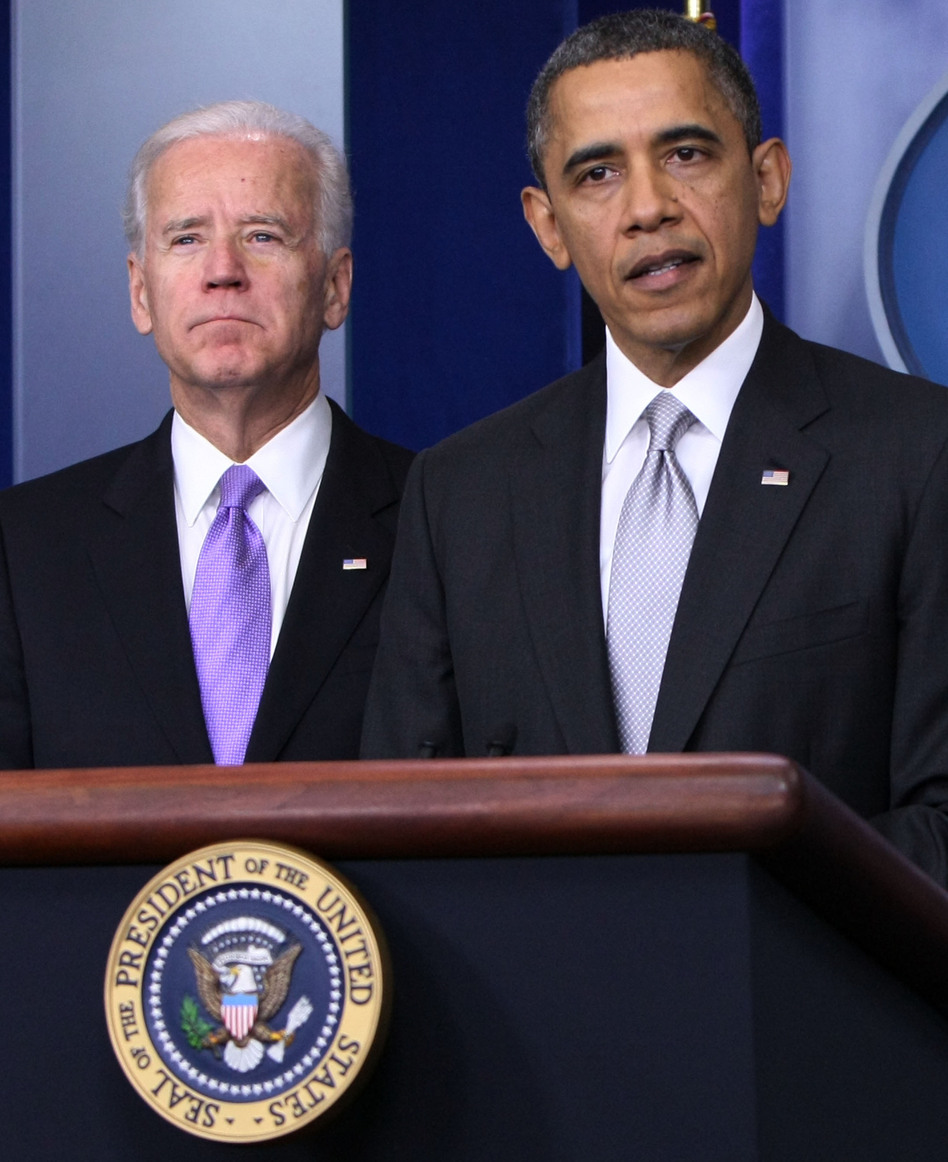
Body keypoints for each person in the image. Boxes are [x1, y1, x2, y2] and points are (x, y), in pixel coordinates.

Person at [362, 10, 948, 884]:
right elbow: (400, 832)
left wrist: (710, 912)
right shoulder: (461, 494)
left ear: (768, 179)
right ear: (548, 226)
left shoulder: (916, 454)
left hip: (803, 1009)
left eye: (686, 155)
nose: (648, 209)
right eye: (596, 174)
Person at [0, 100, 412, 769]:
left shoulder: (445, 522)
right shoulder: (21, 550)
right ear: (141, 294)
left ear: (335, 288)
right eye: (186, 238)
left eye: (263, 236)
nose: (223, 270)